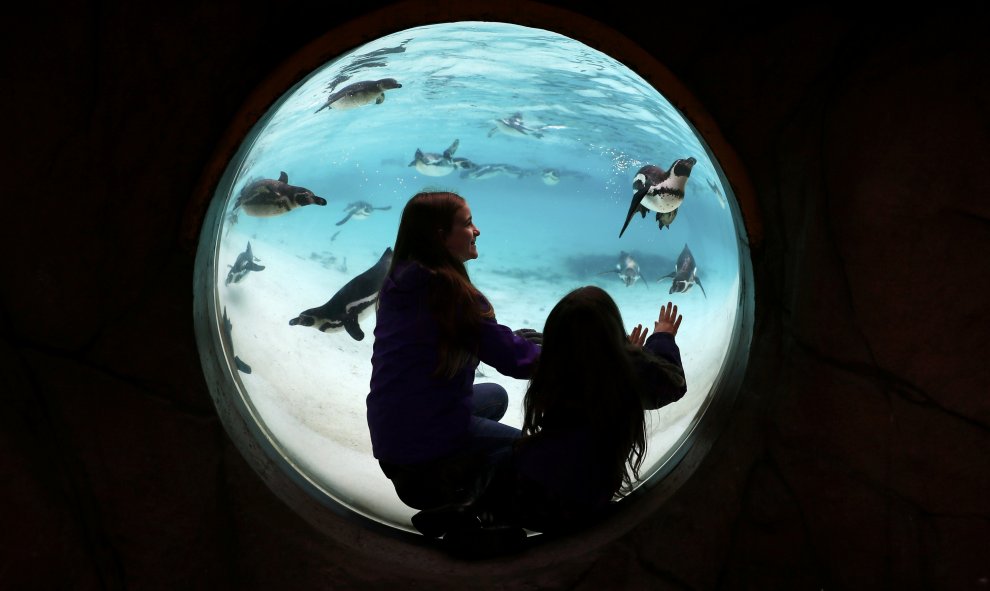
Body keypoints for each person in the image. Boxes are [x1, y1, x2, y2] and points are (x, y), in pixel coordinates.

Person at [366, 191, 542, 512]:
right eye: (467, 223)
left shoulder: (401, 278)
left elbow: (444, 338)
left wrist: (497, 339)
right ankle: (464, 506)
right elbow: (517, 361)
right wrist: (573, 354)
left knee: (496, 396)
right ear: (441, 236)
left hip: (391, 443)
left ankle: (449, 473)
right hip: (422, 458)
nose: (476, 231)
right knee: (538, 453)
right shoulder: (449, 294)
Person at [467, 286, 688, 537]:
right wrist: (660, 339)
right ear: (614, 330)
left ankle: (478, 519)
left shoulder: (552, 365)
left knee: (497, 464)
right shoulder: (628, 374)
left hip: (526, 494)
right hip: (585, 503)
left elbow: (571, 353)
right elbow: (673, 383)